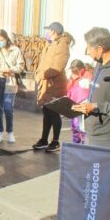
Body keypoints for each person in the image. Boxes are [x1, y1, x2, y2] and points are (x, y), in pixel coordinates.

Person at [73, 27, 110, 149]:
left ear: (100, 49)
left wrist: (96, 106)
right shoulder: (99, 63)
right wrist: (86, 105)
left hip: (109, 137)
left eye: (89, 48)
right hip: (92, 132)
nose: (88, 52)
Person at [33, 22, 70, 152]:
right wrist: (38, 73)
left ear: (54, 31)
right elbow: (43, 62)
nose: (47, 32)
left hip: (55, 84)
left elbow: (57, 67)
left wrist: (42, 75)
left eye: (48, 30)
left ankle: (55, 141)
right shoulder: (50, 44)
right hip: (46, 84)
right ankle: (44, 139)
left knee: (54, 113)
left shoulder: (62, 45)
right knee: (47, 112)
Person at [0, 30, 24, 143]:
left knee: (8, 108)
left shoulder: (15, 50)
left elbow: (20, 66)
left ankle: (10, 132)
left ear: (6, 39)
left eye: (1, 40)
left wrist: (10, 70)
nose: (0, 42)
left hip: (10, 81)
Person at [66, 60, 93, 144]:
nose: (73, 72)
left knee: (83, 128)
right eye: (72, 70)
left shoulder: (88, 76)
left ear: (81, 69)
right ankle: (76, 145)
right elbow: (68, 89)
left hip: (84, 106)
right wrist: (72, 79)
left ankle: (83, 145)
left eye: (75, 70)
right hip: (75, 105)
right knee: (75, 127)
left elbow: (87, 91)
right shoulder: (72, 77)